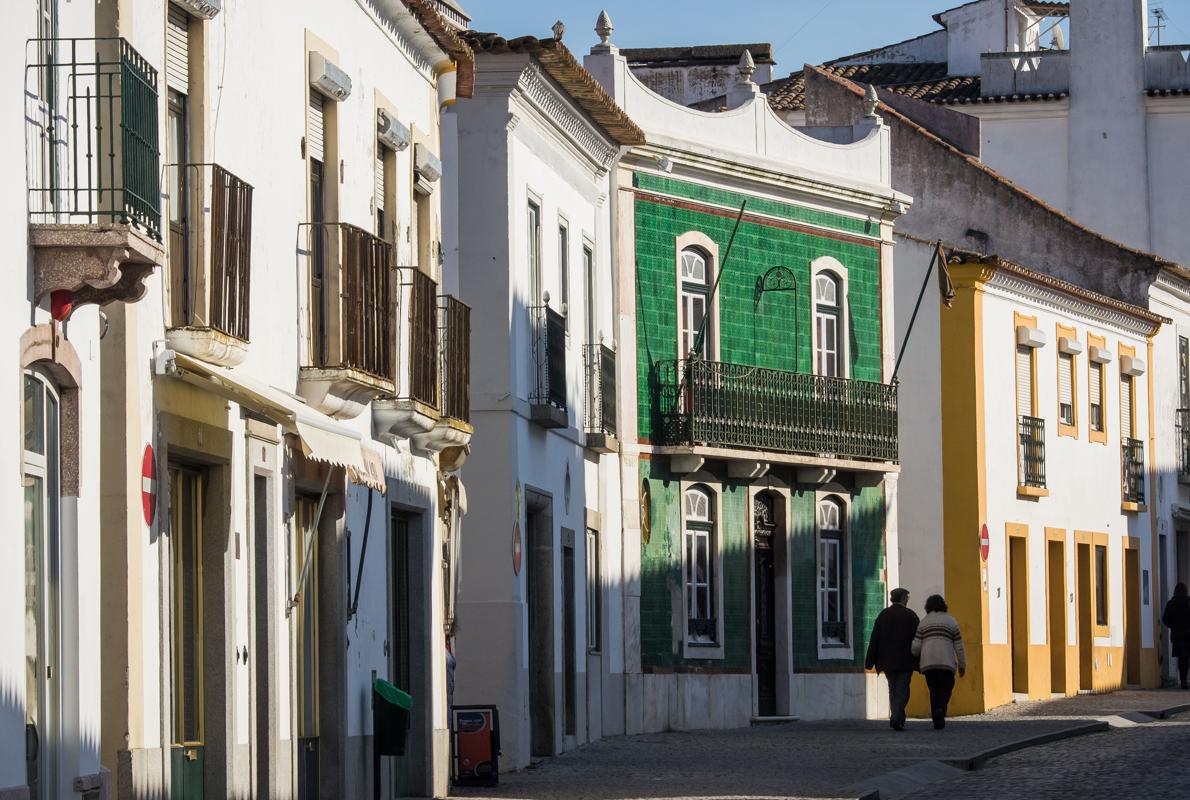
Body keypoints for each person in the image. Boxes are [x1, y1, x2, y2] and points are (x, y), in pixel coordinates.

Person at [865, 587, 920, 731]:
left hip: (887, 661)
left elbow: (874, 638)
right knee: (902, 690)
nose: (908, 599)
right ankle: (896, 717)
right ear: (902, 598)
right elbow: (919, 639)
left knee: (893, 689)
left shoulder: (884, 615)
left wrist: (869, 661)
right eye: (907, 597)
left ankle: (897, 718)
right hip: (905, 660)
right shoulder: (910, 616)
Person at [912, 594, 966, 730]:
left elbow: (916, 648)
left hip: (928, 664)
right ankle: (941, 708)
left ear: (927, 607)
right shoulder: (951, 621)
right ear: (943, 606)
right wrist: (962, 664)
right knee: (947, 688)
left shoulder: (923, 622)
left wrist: (915, 653)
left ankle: (937, 717)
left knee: (934, 690)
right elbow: (959, 645)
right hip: (947, 663)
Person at [1162, 582, 1190, 689]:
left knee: (1180, 657)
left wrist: (1173, 626)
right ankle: (1184, 679)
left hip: (1177, 635)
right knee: (1186, 658)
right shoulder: (1188, 602)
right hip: (1188, 634)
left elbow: (1165, 619)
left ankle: (1183, 679)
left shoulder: (1171, 603)